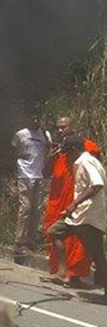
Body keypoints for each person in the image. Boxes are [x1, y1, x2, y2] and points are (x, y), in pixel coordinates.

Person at [48, 135, 107, 298]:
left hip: (88, 216)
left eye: (67, 153)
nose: (66, 156)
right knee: (55, 231)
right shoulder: (85, 161)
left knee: (98, 257)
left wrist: (74, 204)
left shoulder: (86, 162)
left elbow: (97, 185)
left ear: (74, 150)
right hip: (79, 215)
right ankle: (63, 270)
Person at [43, 116, 99, 286]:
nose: (60, 130)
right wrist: (50, 157)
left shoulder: (87, 147)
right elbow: (45, 173)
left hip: (76, 199)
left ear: (73, 128)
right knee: (52, 232)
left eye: (64, 127)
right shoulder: (55, 149)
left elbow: (97, 172)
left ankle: (74, 275)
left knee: (78, 240)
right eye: (58, 128)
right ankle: (59, 272)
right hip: (57, 199)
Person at [12, 114, 49, 254]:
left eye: (38, 118)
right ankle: (18, 242)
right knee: (25, 207)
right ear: (28, 119)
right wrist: (17, 164)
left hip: (39, 175)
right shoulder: (21, 134)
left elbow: (48, 150)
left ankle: (30, 242)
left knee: (37, 209)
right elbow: (13, 151)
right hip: (24, 174)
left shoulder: (44, 135)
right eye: (32, 118)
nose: (35, 121)